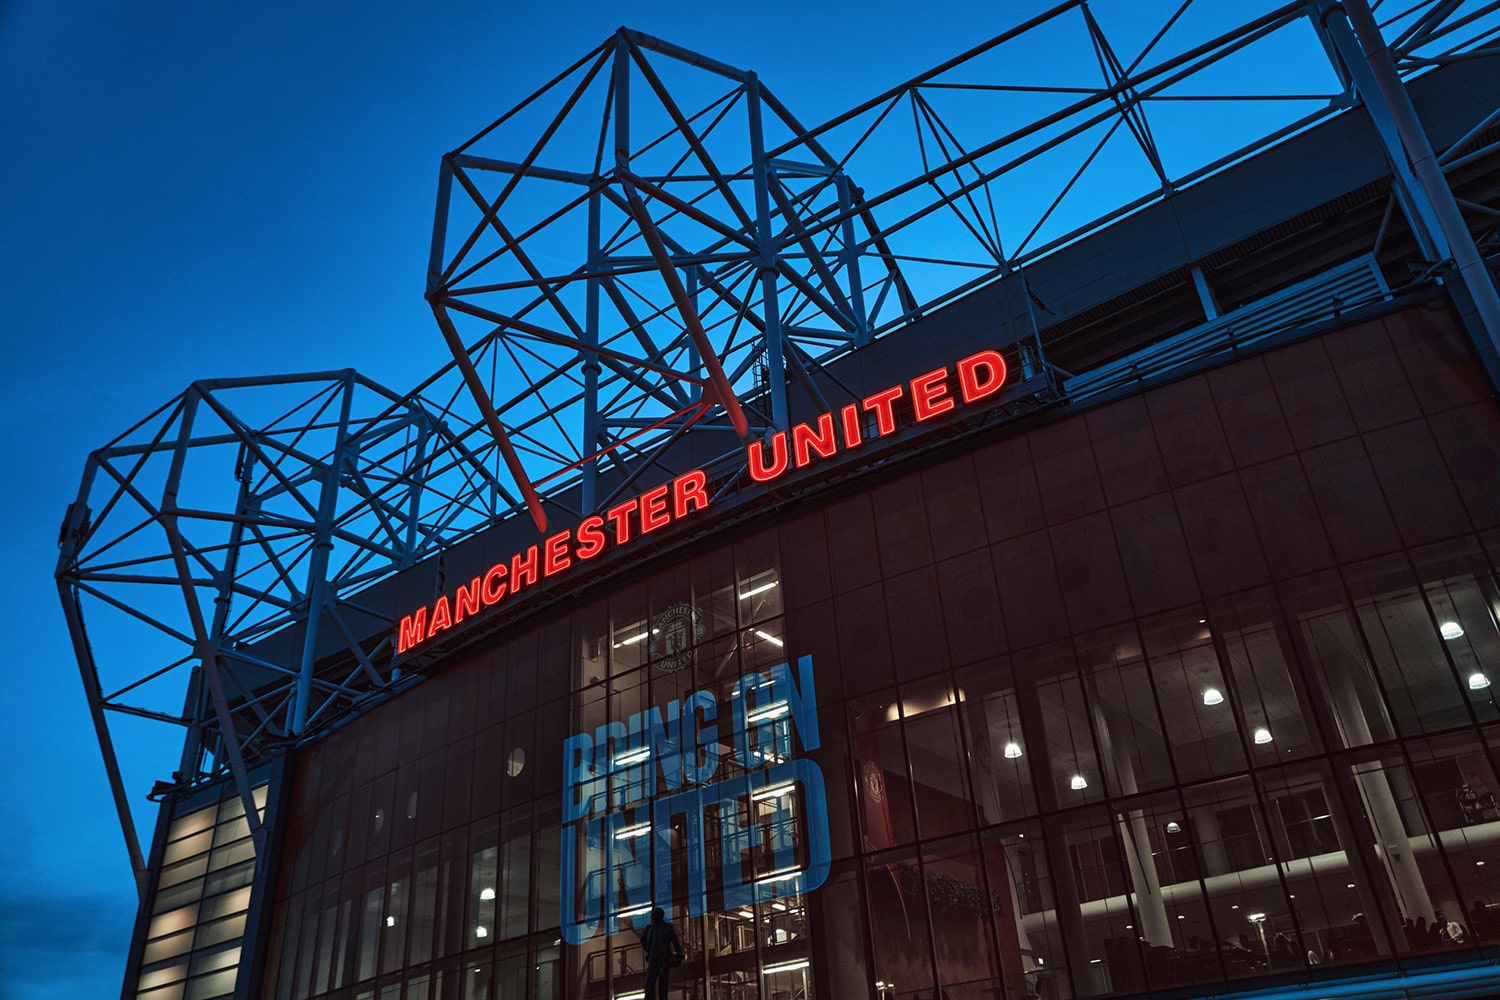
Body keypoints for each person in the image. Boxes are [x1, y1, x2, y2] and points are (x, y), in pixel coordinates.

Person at [639, 906, 684, 1000]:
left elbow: (676, 942)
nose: (652, 917)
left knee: (663, 985)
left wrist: (679, 955)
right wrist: (648, 948)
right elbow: (642, 939)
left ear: (659, 916)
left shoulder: (667, 928)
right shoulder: (650, 928)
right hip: (653, 959)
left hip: (663, 959)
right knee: (649, 984)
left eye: (654, 915)